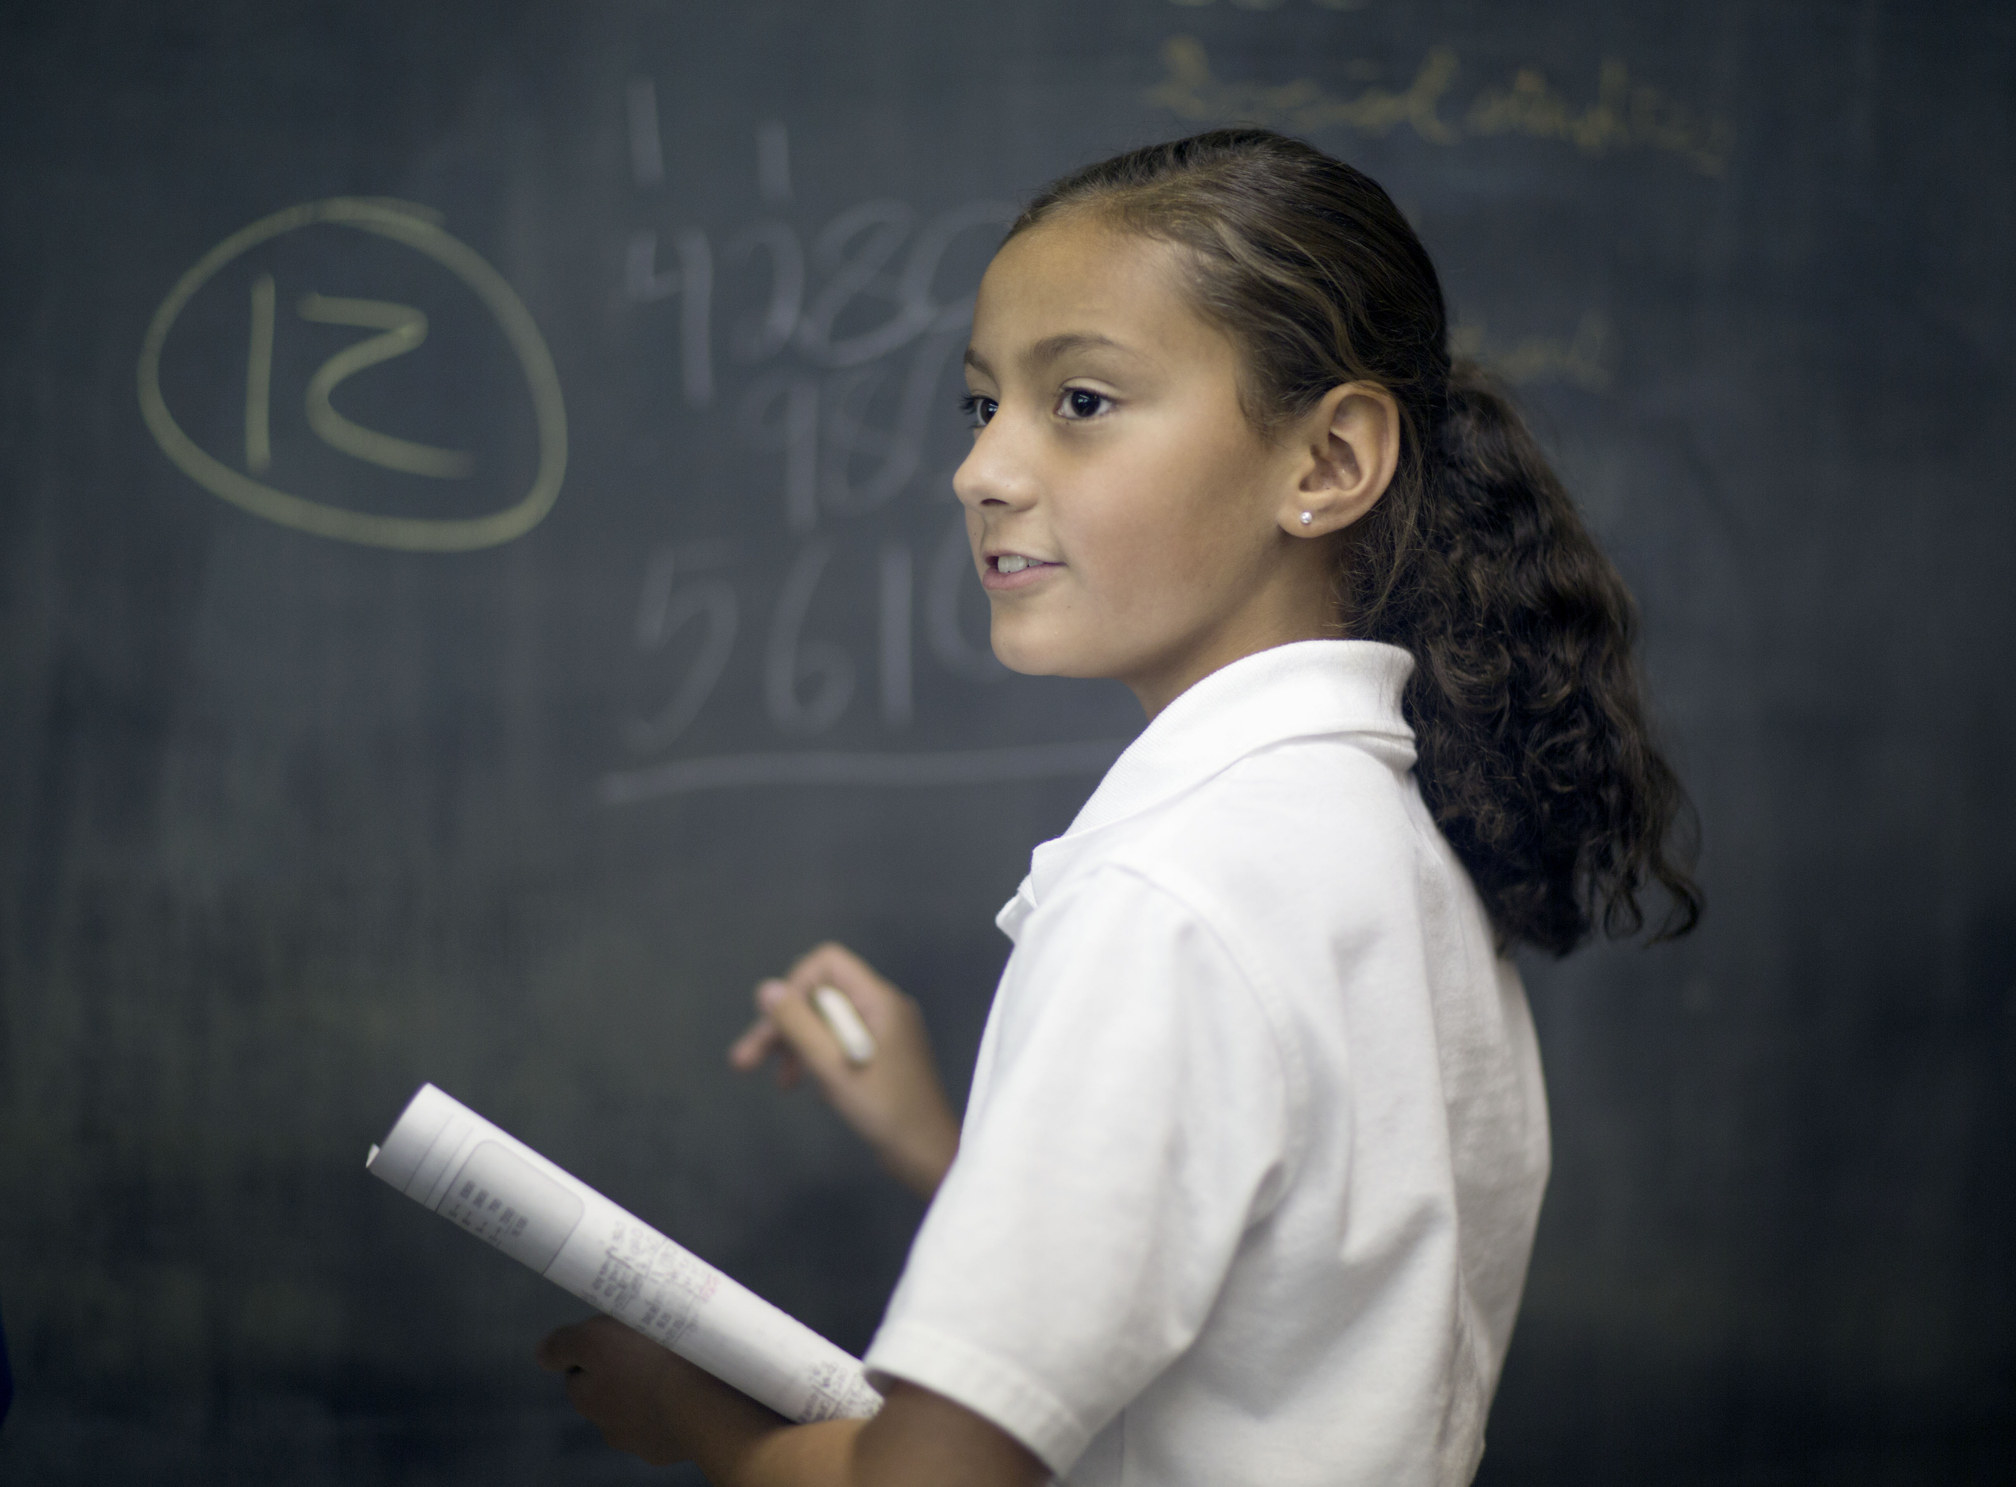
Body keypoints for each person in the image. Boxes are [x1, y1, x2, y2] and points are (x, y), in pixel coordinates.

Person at [537, 128, 1701, 1486]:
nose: (983, 471)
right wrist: (947, 1152)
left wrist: (695, 1422)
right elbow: (1264, 1328)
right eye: (982, 406)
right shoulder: (1370, 841)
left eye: (1080, 401)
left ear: (1327, 463)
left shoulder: (1170, 894)